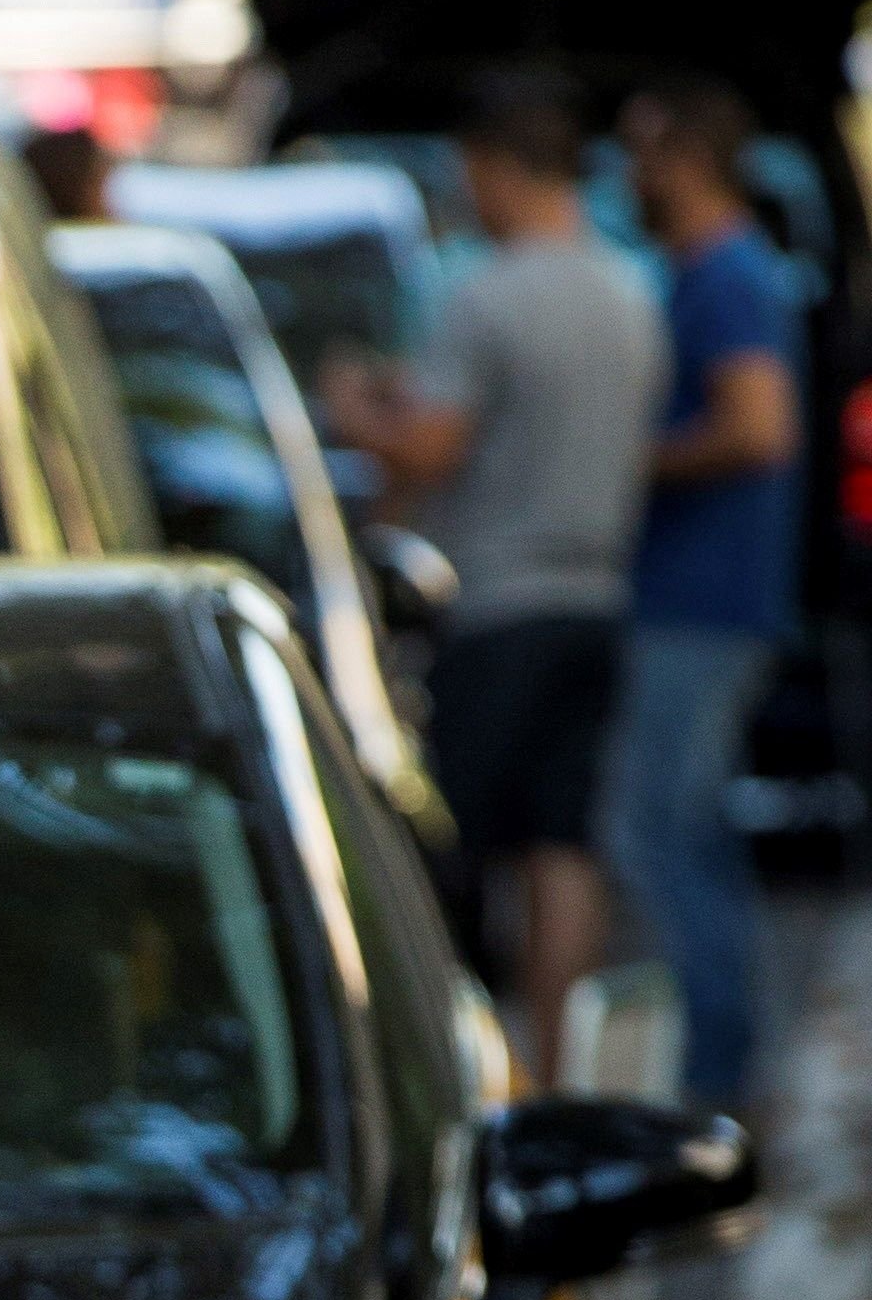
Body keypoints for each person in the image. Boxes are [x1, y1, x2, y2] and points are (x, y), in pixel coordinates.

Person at [320, 71, 665, 1083]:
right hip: (598, 595)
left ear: (500, 169)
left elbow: (429, 451)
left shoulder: (484, 291)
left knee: (452, 855)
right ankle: (556, 1073)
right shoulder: (630, 288)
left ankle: (465, 1073)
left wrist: (351, 411)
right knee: (564, 849)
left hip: (497, 599)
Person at [611, 78, 806, 1107]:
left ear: (688, 158)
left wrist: (625, 460)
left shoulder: (726, 275)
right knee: (685, 830)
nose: (629, 177)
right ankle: (726, 1055)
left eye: (643, 153)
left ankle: (717, 1071)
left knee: (661, 829)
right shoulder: (706, 272)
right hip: (696, 598)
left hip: (704, 601)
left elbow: (758, 428)